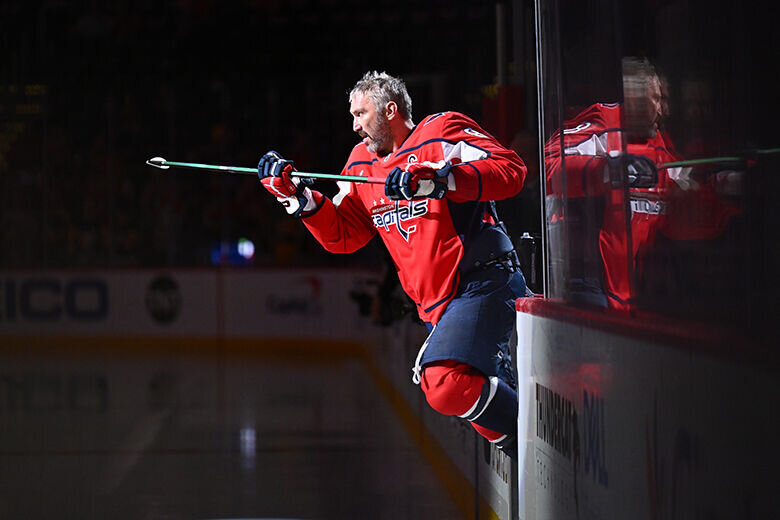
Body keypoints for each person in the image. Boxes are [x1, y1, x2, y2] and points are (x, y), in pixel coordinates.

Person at [257, 71, 528, 457]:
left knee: (442, 382)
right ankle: (521, 444)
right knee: (446, 385)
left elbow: (512, 171)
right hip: (438, 306)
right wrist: (298, 198)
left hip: (483, 280)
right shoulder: (359, 165)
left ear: (390, 110)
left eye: (360, 114)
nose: (354, 126)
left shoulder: (441, 131)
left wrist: (443, 180)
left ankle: (526, 441)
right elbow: (345, 235)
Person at [544, 57, 740, 311]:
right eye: (658, 99)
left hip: (636, 299)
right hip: (593, 290)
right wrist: (606, 170)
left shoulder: (660, 142)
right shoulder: (603, 122)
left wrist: (728, 190)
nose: (664, 111)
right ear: (633, 95)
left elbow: (684, 205)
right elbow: (550, 166)